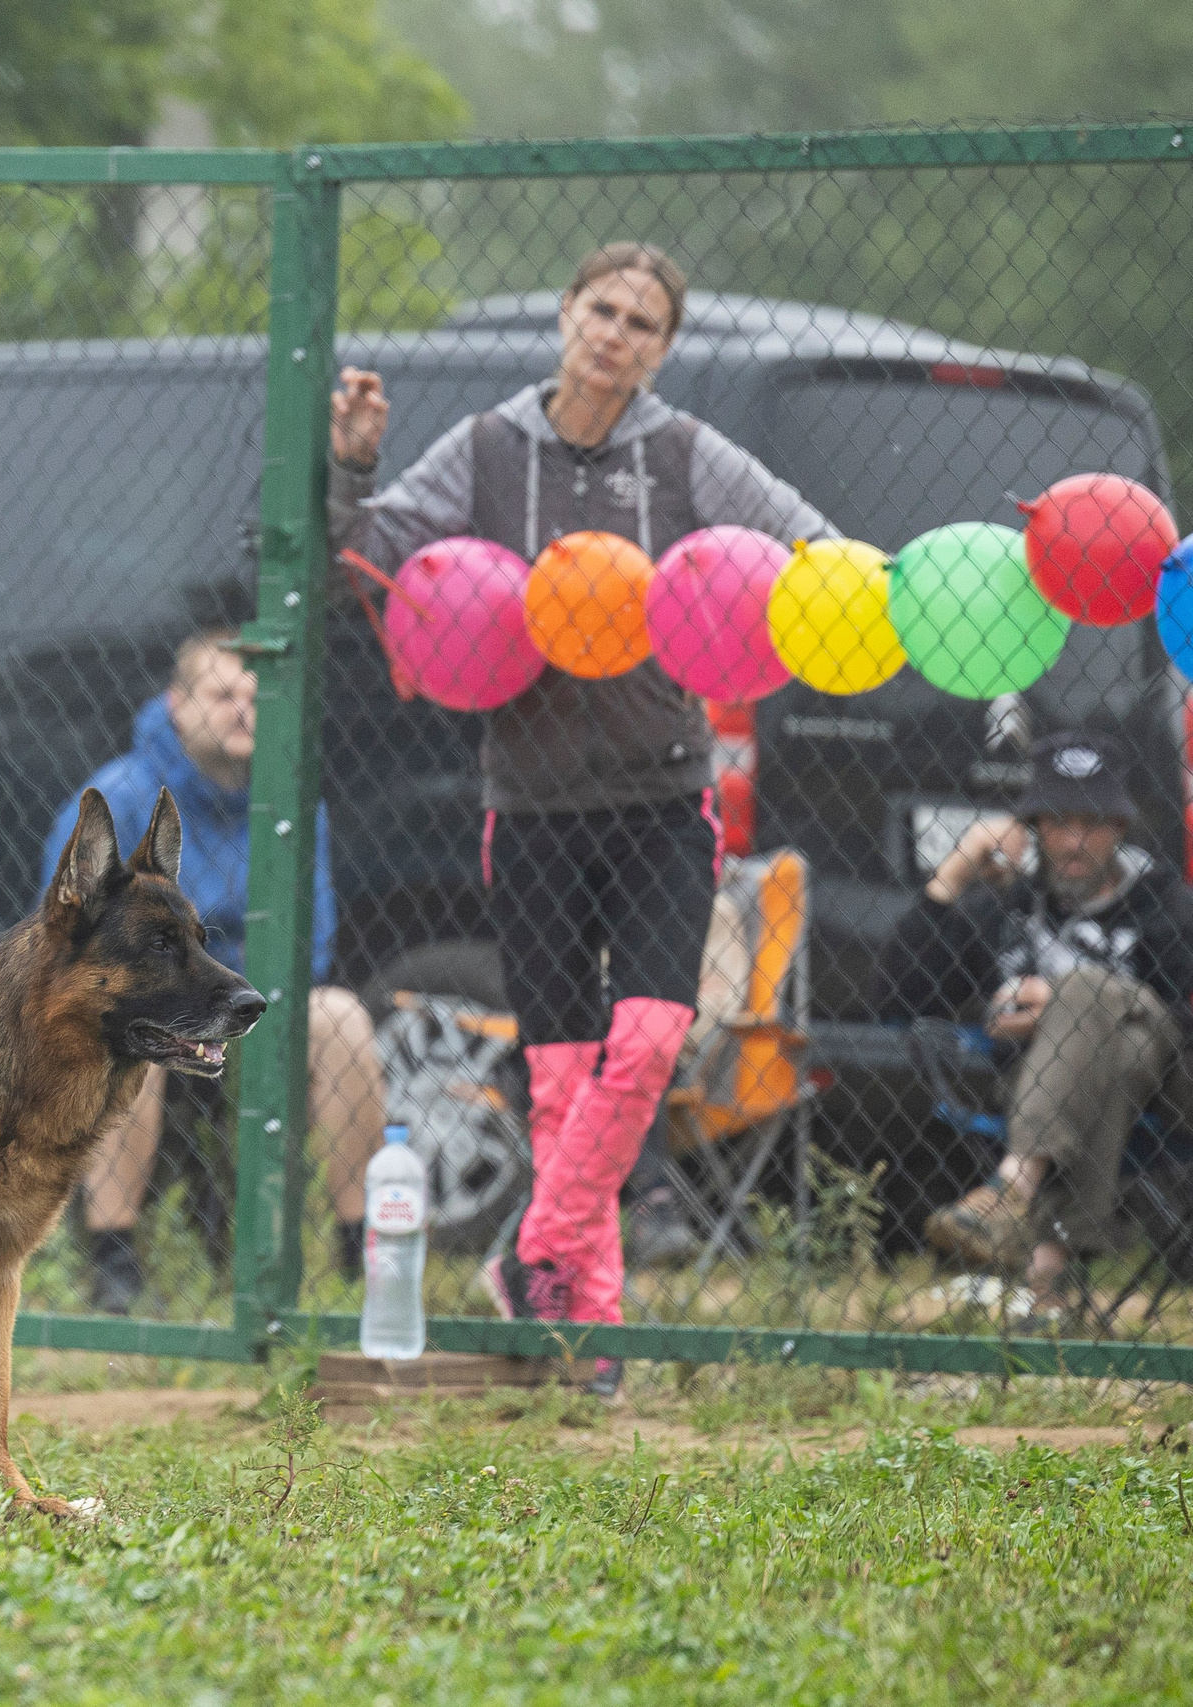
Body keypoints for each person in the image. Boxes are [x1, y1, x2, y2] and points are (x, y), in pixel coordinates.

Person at [327, 240, 833, 1392]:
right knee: (560, 1082)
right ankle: (588, 1342)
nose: (615, 334)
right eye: (600, 309)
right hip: (535, 806)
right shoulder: (488, 449)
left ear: (662, 348)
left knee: (649, 1040)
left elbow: (807, 542)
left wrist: (865, 582)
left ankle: (531, 1248)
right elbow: (370, 555)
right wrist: (352, 466)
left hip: (661, 797)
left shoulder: (686, 453)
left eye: (641, 324)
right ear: (564, 315)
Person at [42, 629, 385, 1313]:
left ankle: (360, 1253)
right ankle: (115, 1261)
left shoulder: (292, 800)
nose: (242, 712)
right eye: (223, 694)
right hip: (152, 1003)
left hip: (250, 997)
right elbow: (68, 943)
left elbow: (309, 940)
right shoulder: (122, 793)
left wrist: (225, 996)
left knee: (343, 1016)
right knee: (130, 1028)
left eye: (256, 698)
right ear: (177, 703)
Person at [881, 730, 1193, 1314]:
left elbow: (1184, 1015)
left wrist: (1072, 1004)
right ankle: (1046, 1282)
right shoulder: (1010, 906)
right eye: (1058, 822)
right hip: (1055, 1091)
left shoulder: (1161, 899)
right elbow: (899, 994)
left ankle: (1011, 1190)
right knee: (1110, 1058)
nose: (1076, 840)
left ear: (1120, 827)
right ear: (1033, 827)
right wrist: (956, 872)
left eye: (1094, 823)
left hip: (1167, 1080)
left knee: (1089, 993)